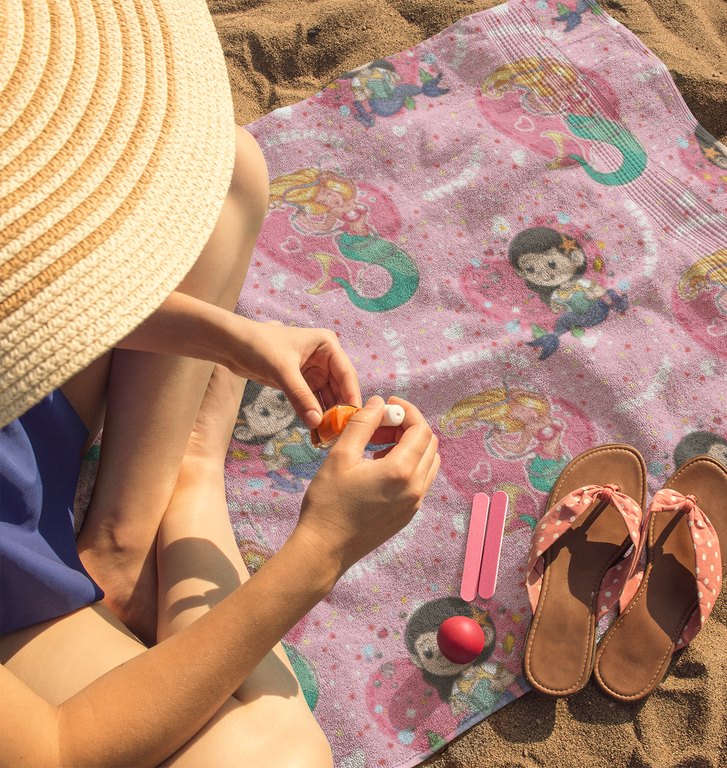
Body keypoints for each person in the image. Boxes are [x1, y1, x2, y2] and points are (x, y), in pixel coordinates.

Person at [0, 1, 439, 765]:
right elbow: (60, 747)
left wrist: (224, 336)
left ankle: (121, 548)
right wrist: (321, 551)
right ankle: (189, 487)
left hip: (19, 432)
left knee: (224, 171)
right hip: (12, 607)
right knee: (276, 754)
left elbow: (30, 281)